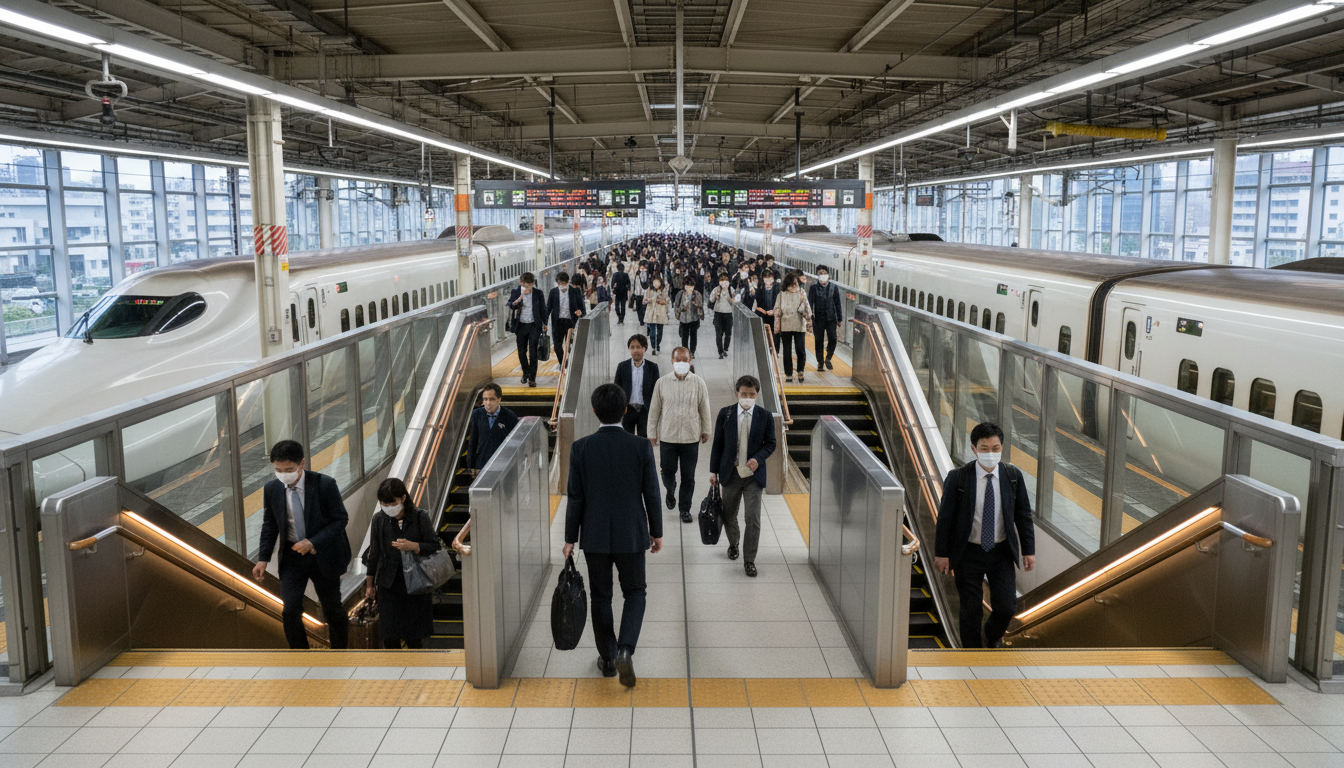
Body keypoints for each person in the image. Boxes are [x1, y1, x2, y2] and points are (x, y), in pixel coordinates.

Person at [564, 383, 663, 688]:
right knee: (635, 592)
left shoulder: (580, 447)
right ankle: (625, 649)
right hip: (632, 534)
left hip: (593, 536)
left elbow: (575, 497)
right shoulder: (640, 446)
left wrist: (570, 538)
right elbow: (652, 494)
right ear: (624, 410)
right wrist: (656, 532)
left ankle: (607, 659)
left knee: (601, 596)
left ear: (594, 411)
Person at [933, 422, 1036, 649]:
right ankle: (971, 652)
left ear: (1002, 448)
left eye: (995, 448)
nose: (991, 453)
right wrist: (942, 553)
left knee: (1007, 607)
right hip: (968, 553)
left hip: (1001, 552)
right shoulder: (959, 478)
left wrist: (1029, 550)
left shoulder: (1012, 476)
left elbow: (1023, 516)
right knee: (970, 609)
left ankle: (991, 635)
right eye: (985, 448)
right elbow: (945, 519)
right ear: (974, 449)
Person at [252, 440, 352, 649]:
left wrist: (313, 542)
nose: (283, 475)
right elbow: (269, 525)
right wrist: (263, 558)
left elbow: (340, 519)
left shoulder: (325, 484)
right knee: (290, 611)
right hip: (292, 556)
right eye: (278, 470)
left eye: (288, 470)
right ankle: (301, 657)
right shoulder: (272, 489)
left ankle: (340, 653)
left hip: (322, 554)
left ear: (302, 463)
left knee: (332, 610)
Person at [361, 478, 441, 649]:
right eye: (384, 504)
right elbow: (374, 553)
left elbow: (435, 545)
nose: (389, 507)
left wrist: (414, 546)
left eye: (392, 503)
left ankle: (414, 670)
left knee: (414, 636)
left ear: (403, 498)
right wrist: (369, 585)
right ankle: (394, 670)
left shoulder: (420, 517)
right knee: (390, 636)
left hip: (416, 582)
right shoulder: (379, 520)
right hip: (388, 584)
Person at [709, 376, 776, 577]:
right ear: (737, 393)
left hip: (753, 475)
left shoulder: (764, 416)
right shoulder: (726, 414)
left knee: (752, 518)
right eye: (744, 394)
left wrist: (758, 458)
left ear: (757, 394)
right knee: (729, 514)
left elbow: (771, 443)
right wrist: (713, 471)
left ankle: (749, 560)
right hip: (730, 473)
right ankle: (734, 543)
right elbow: (718, 445)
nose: (747, 397)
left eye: (752, 394)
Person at [646, 346, 712, 524]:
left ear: (690, 362)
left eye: (685, 360)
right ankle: (670, 489)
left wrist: (706, 429)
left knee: (688, 476)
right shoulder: (662, 383)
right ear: (672, 361)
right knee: (667, 471)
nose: (681, 363)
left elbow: (704, 408)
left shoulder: (698, 383)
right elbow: (654, 411)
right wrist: (652, 433)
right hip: (668, 436)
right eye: (678, 360)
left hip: (691, 437)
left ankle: (685, 509)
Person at [614, 334, 660, 437]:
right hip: (627, 411)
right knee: (626, 441)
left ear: (645, 349)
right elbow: (616, 390)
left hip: (645, 410)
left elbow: (656, 392)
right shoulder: (622, 367)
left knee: (643, 441)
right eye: (632, 347)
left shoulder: (652, 368)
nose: (635, 351)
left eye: (638, 347)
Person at [507, 272, 547, 387]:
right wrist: (520, 298)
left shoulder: (538, 293)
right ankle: (525, 372)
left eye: (530, 284)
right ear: (521, 283)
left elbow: (543, 308)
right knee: (521, 351)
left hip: (534, 325)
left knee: (533, 351)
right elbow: (511, 305)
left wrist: (545, 323)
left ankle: (532, 378)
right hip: (520, 326)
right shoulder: (516, 292)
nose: (528, 287)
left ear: (533, 283)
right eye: (526, 284)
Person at [467, 383, 518, 471]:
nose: (488, 403)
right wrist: (471, 466)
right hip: (482, 464)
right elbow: (473, 441)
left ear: (499, 399)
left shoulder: (510, 416)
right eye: (485, 399)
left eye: (492, 399)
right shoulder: (477, 414)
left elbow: (515, 444)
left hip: (503, 466)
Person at [773, 272, 813, 383]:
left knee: (800, 349)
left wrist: (809, 321)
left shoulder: (802, 293)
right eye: (791, 284)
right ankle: (789, 374)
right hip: (785, 325)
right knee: (787, 351)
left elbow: (807, 308)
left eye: (796, 283)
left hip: (799, 325)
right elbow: (776, 308)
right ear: (786, 284)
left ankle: (800, 371)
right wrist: (778, 313)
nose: (794, 286)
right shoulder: (781, 295)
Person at [807, 265, 843, 372]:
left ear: (828, 275)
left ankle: (828, 358)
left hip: (831, 318)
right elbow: (810, 303)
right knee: (819, 341)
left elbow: (837, 303)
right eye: (819, 274)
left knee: (833, 338)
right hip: (818, 319)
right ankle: (820, 363)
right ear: (817, 276)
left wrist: (839, 318)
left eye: (824, 273)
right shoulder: (814, 288)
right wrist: (810, 318)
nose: (822, 276)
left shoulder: (834, 287)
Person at [548, 272, 587, 368]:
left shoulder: (575, 291)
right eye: (560, 283)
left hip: (571, 322)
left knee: (571, 346)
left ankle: (573, 363)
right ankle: (563, 364)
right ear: (557, 283)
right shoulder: (553, 292)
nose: (562, 286)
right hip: (558, 323)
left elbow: (583, 308)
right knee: (557, 346)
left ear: (568, 282)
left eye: (564, 283)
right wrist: (543, 321)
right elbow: (548, 308)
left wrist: (580, 312)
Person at [708, 271, 735, 359]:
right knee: (718, 334)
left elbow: (736, 302)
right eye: (721, 280)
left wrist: (730, 298)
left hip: (728, 313)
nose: (723, 282)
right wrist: (716, 295)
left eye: (725, 280)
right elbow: (711, 300)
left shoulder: (731, 290)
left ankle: (725, 348)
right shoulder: (716, 289)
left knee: (728, 333)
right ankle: (720, 351)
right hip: (718, 314)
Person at [674, 279, 703, 359]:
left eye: (691, 287)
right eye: (687, 286)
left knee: (694, 335)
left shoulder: (697, 294)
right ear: (684, 286)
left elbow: (701, 305)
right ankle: (686, 351)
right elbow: (676, 305)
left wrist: (697, 307)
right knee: (684, 336)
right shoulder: (680, 294)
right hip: (684, 318)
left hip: (694, 318)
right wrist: (678, 313)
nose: (689, 289)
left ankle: (692, 351)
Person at [754, 269, 781, 353]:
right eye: (766, 278)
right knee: (764, 334)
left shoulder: (778, 290)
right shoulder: (759, 290)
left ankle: (775, 352)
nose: (768, 280)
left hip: (775, 316)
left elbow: (781, 303)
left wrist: (774, 311)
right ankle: (765, 351)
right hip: (763, 315)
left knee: (776, 334)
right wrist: (761, 310)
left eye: (770, 278)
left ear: (773, 279)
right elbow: (756, 305)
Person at [644, 275, 670, 355]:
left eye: (658, 282)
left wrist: (667, 312)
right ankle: (653, 347)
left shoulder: (663, 291)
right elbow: (644, 301)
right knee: (652, 331)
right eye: (654, 282)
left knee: (660, 331)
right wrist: (648, 300)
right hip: (651, 312)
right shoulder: (649, 290)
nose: (656, 284)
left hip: (661, 312)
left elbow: (667, 301)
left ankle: (657, 343)